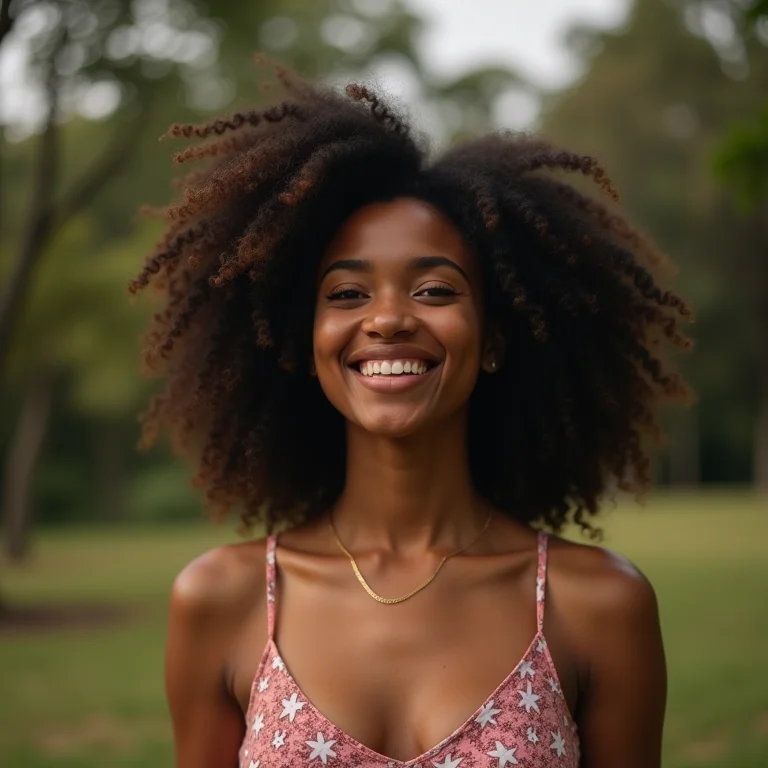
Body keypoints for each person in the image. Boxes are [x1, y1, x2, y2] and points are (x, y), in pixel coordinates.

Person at [130, 66, 692, 768]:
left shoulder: (600, 605)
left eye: (432, 289)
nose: (389, 319)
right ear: (306, 342)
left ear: (492, 339)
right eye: (346, 294)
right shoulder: (222, 600)